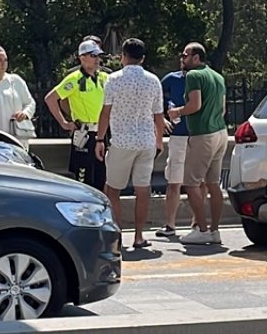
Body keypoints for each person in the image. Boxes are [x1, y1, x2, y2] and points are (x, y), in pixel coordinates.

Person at [95, 39, 165, 249]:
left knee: (113, 189)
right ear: (142, 58)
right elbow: (158, 116)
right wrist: (159, 140)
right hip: (146, 141)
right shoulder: (153, 81)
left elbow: (105, 112)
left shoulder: (113, 80)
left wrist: (100, 139)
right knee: (143, 189)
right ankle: (139, 235)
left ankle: (117, 236)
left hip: (122, 141)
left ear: (123, 56)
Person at [167, 42, 228, 245]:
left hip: (203, 134)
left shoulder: (193, 76)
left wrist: (177, 112)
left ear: (195, 57)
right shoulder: (217, 76)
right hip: (220, 133)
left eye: (185, 55)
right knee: (213, 184)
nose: (182, 59)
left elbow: (195, 105)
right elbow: (223, 109)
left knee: (191, 183)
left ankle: (201, 229)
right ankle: (215, 230)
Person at [44, 40, 110, 191]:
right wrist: (64, 123)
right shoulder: (74, 79)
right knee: (84, 177)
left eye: (98, 56)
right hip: (84, 133)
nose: (97, 60)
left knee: (101, 176)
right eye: (93, 56)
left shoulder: (104, 78)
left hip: (102, 132)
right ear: (82, 57)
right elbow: (51, 98)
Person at [157, 56, 199, 238]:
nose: (182, 59)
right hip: (178, 135)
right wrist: (163, 118)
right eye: (181, 56)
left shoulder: (201, 79)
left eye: (185, 55)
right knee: (174, 181)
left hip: (198, 135)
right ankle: (170, 224)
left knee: (199, 181)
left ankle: (197, 223)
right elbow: (156, 99)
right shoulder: (171, 79)